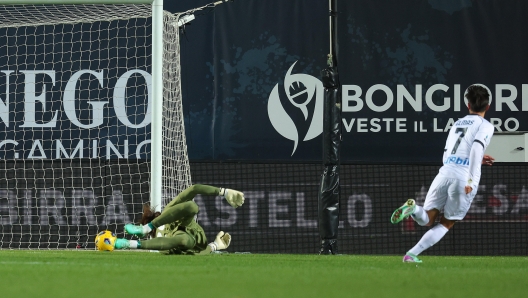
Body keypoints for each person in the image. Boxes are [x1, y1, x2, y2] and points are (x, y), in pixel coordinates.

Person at [390, 84, 495, 263]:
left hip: (445, 172)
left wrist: (474, 160)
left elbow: (450, 151)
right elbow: (476, 148)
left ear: (468, 105)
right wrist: (471, 179)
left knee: (426, 219)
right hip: (463, 178)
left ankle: (413, 209)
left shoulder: (457, 123)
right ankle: (411, 255)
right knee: (446, 223)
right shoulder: (486, 125)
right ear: (488, 106)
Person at [113, 184, 245, 255]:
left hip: (184, 229)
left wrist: (225, 192)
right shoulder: (161, 240)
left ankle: (143, 230)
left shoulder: (170, 211)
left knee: (192, 206)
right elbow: (197, 254)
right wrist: (214, 246)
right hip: (182, 239)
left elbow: (194, 189)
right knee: (183, 238)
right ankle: (131, 242)